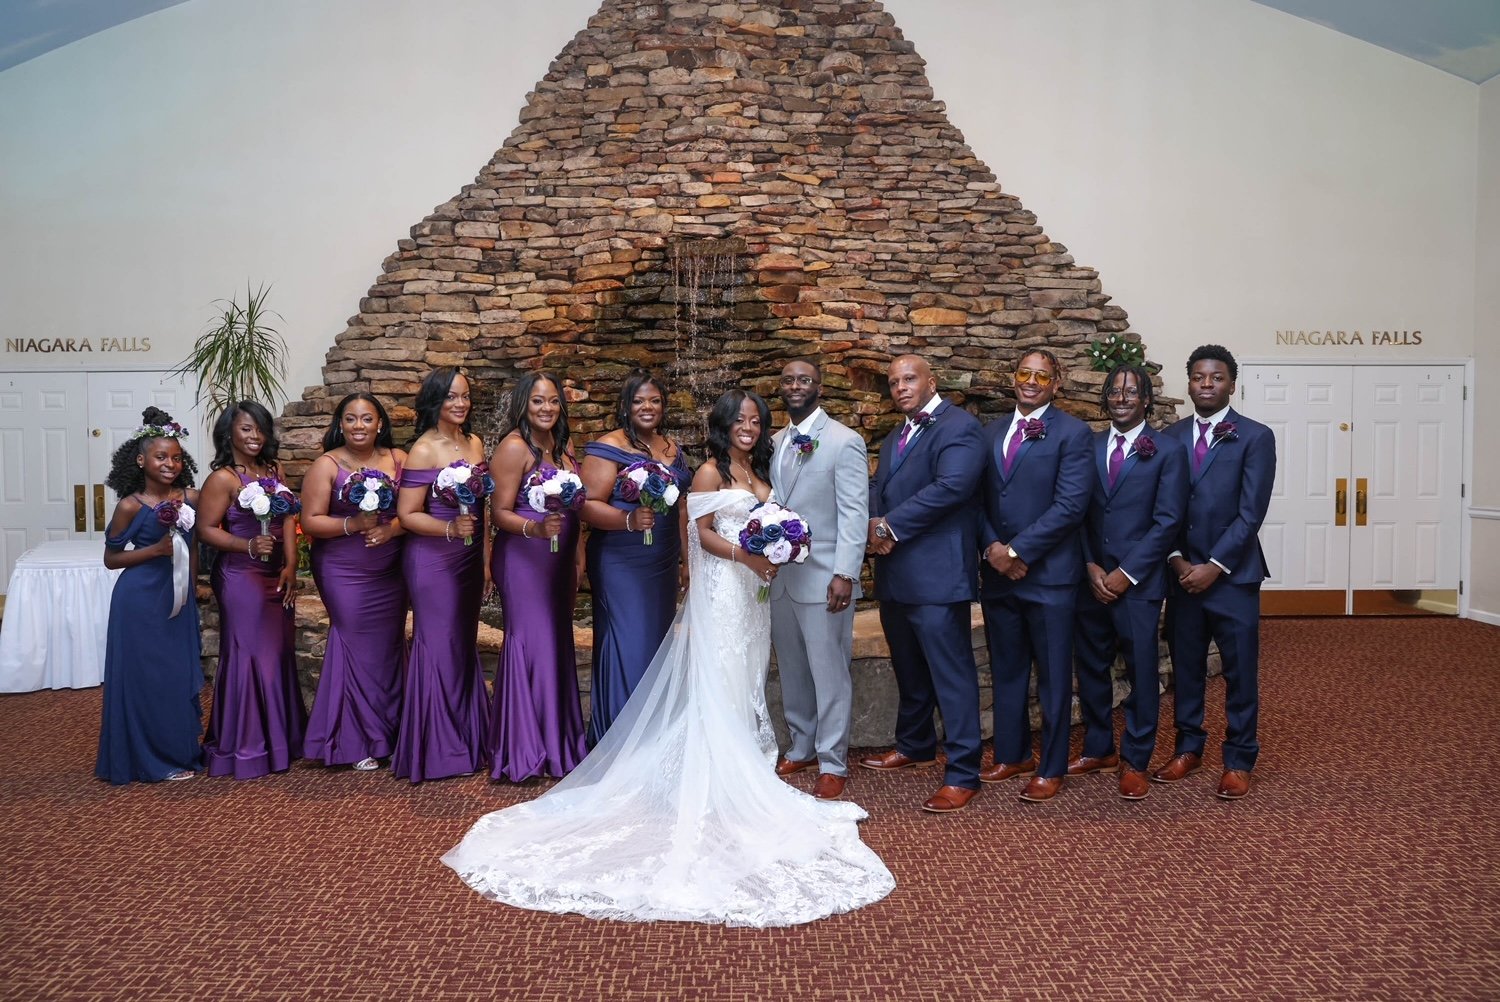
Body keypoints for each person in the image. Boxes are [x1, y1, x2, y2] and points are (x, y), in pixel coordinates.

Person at [442, 389, 894, 927]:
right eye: (739, 420)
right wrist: (747, 556)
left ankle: (741, 760)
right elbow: (700, 535)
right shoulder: (707, 472)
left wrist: (778, 547)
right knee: (720, 674)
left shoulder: (759, 469)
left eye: (755, 420)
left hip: (752, 597)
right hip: (724, 589)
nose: (748, 427)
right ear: (722, 424)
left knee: (746, 676)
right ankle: (718, 776)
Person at [857, 355, 986, 814]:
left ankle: (964, 772)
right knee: (910, 669)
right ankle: (915, 745)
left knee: (951, 676)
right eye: (894, 382)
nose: (901, 387)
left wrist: (888, 526)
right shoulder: (898, 433)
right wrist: (873, 523)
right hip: (895, 573)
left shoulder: (960, 427)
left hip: (937, 576)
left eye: (909, 379)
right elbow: (878, 485)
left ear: (932, 382)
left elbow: (953, 487)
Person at [1158, 345, 1275, 799]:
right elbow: (1161, 508)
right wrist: (1177, 559)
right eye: (1199, 377)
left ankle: (1239, 759)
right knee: (1186, 669)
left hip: (1233, 577)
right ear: (1189, 383)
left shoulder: (1255, 436)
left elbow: (1251, 512)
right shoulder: (1169, 437)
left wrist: (1214, 566)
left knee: (1239, 672)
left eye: (1217, 378)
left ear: (1232, 384)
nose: (1207, 385)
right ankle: (1188, 749)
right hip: (1182, 574)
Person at [977, 349, 1093, 803]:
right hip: (999, 576)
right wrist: (993, 548)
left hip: (1049, 578)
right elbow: (978, 499)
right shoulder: (990, 432)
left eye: (1042, 376)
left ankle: (1052, 765)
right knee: (1007, 669)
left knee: (1053, 677)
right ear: (1013, 377)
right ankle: (1013, 755)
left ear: (1056, 384)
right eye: (1024, 373)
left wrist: (1017, 551)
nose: (1031, 381)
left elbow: (1070, 506)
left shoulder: (1073, 433)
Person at [1071, 365, 1188, 800]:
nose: (1121, 398)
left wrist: (1126, 573)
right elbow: (1078, 512)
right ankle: (1099, 748)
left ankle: (1136, 760)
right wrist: (1090, 564)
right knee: (1091, 668)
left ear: (1146, 400)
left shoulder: (1168, 450)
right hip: (1091, 580)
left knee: (1141, 670)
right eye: (1114, 391)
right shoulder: (1089, 446)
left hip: (1138, 583)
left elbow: (1168, 520)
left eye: (1131, 391)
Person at [768, 359, 868, 801]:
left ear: (819, 387)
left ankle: (832, 761)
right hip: (780, 580)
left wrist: (845, 572)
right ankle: (802, 745)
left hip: (826, 578)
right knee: (792, 669)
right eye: (788, 379)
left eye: (804, 379)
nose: (795, 386)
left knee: (830, 674)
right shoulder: (772, 442)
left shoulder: (845, 441)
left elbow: (855, 512)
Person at [577, 370, 691, 743]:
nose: (647, 407)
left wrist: (686, 560)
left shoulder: (672, 448)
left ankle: (653, 737)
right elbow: (586, 505)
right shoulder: (607, 446)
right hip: (621, 561)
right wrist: (627, 519)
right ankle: (620, 739)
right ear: (626, 405)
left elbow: (681, 508)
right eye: (639, 400)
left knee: (657, 644)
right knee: (630, 642)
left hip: (662, 560)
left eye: (655, 400)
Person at [195, 400, 307, 780]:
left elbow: (288, 517)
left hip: (275, 573)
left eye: (260, 428)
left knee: (277, 653)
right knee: (249, 655)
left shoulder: (274, 470)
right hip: (240, 575)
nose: (254, 436)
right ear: (229, 433)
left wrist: (291, 564)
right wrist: (246, 546)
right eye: (246, 429)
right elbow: (205, 530)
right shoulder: (223, 479)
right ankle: (246, 744)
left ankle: (280, 739)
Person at [486, 371, 588, 781]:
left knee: (556, 644)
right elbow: (499, 513)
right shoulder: (513, 448)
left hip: (559, 560)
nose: (547, 408)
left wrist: (578, 553)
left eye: (553, 401)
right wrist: (535, 528)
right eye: (538, 401)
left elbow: (575, 508)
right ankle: (527, 749)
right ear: (523, 405)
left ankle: (558, 741)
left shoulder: (563, 447)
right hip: (525, 559)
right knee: (533, 644)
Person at [94, 408, 204, 785]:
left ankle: (179, 751)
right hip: (138, 602)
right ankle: (148, 759)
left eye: (176, 457)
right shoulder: (130, 505)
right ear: (141, 460)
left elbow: (195, 546)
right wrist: (154, 551)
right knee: (147, 680)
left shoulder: (192, 497)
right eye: (160, 456)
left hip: (178, 599)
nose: (170, 464)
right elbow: (111, 559)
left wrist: (192, 587)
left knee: (176, 677)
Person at [299, 392, 407, 772]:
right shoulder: (326, 465)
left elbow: (414, 510)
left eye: (366, 418)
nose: (359, 426)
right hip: (343, 569)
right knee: (356, 646)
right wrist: (354, 524)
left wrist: (391, 530)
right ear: (340, 424)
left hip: (390, 570)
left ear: (380, 424)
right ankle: (356, 739)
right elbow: (311, 521)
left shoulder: (399, 459)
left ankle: (391, 734)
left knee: (388, 649)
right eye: (350, 419)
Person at [393, 368, 492, 783]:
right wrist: (450, 528)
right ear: (435, 400)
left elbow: (483, 509)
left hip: (468, 558)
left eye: (465, 396)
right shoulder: (423, 450)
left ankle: (468, 738)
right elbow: (407, 514)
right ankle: (438, 748)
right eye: (451, 396)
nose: (460, 403)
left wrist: (485, 558)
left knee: (462, 643)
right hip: (433, 559)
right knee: (438, 645)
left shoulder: (475, 443)